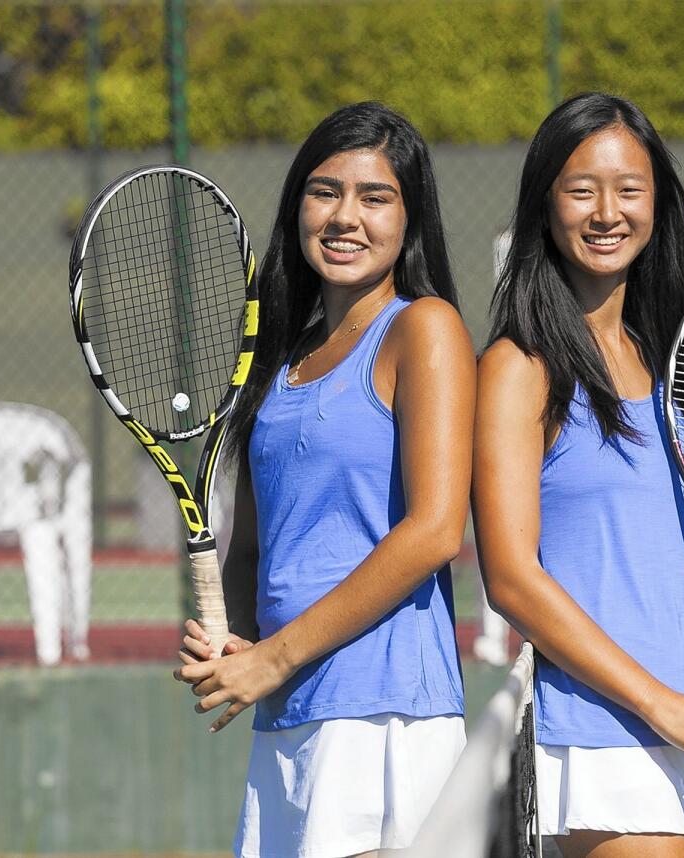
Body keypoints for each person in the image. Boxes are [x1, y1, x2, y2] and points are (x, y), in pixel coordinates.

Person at [472, 92, 684, 857]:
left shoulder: (673, 354)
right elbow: (510, 578)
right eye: (581, 189)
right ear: (546, 206)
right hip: (609, 730)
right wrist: (660, 705)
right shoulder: (518, 368)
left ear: (658, 205)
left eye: (628, 189)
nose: (607, 211)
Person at [174, 101, 475, 858]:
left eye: (375, 198)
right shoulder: (278, 360)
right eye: (325, 191)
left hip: (385, 718)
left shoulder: (424, 327)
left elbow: (436, 531)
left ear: (411, 218)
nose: (346, 217)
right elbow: (255, 548)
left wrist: (273, 658)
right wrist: (234, 641)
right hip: (291, 717)